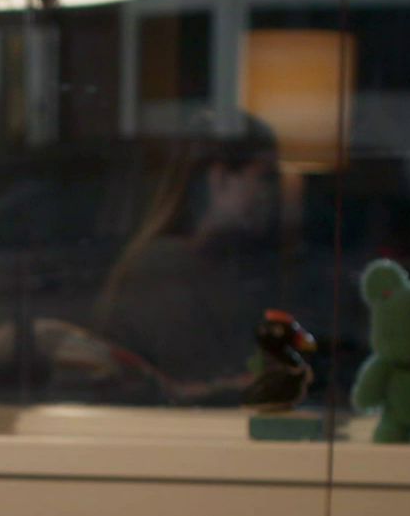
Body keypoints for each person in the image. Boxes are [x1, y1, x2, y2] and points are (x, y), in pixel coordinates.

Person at [90, 111, 286, 404]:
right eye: (265, 176)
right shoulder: (162, 270)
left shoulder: (220, 264)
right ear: (220, 179)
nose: (272, 192)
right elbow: (195, 388)